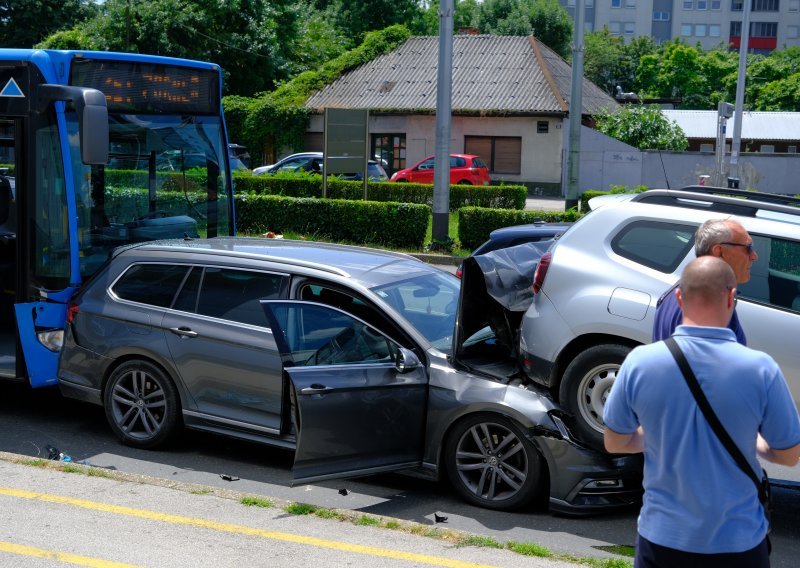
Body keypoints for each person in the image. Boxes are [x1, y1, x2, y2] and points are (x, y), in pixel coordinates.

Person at [604, 256, 800, 567]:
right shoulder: (761, 368)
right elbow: (789, 455)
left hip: (662, 539)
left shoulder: (640, 362)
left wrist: (657, 434)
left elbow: (615, 442)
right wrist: (753, 441)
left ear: (679, 297)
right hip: (739, 542)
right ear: (732, 297)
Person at [652, 218, 757, 344]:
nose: (754, 256)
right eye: (748, 247)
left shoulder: (678, 292)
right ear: (719, 251)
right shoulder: (710, 305)